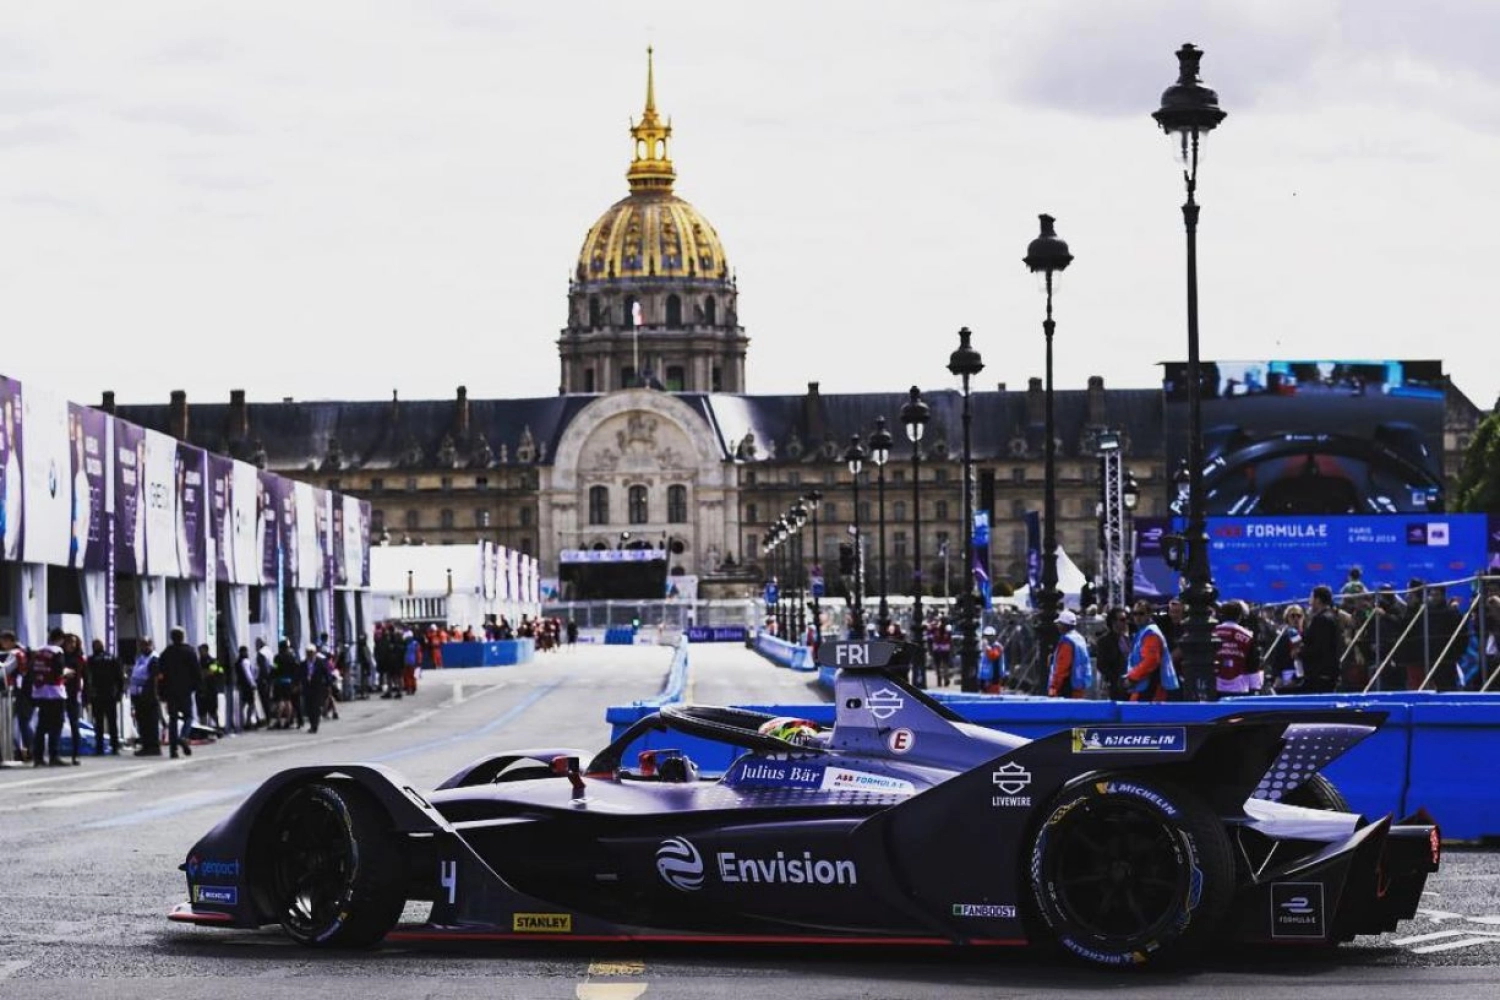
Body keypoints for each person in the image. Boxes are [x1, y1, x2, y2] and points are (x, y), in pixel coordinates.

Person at [158, 627, 202, 758]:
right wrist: (197, 687)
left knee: (173, 719)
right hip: (185, 690)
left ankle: (173, 750)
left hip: (171, 691)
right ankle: (183, 736)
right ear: (183, 637)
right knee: (188, 716)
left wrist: (162, 692)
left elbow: (161, 674)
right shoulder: (189, 651)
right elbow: (196, 671)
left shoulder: (166, 653)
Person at [29, 629, 69, 766]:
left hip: (40, 691)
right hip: (55, 692)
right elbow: (59, 670)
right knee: (56, 725)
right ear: (61, 639)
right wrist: (66, 673)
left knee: (41, 725)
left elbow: (31, 669)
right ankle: (54, 755)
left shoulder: (39, 651)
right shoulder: (57, 651)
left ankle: (38, 757)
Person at [1125, 602, 1179, 702]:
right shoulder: (1143, 632)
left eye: (1141, 613)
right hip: (1144, 684)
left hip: (1151, 686)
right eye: (1135, 614)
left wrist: (1132, 678)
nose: (1137, 617)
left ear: (1149, 614)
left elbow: (1151, 660)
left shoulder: (1151, 633)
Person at [1211, 601, 1262, 699]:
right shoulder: (1247, 636)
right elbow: (1253, 663)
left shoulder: (1212, 632)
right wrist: (1255, 688)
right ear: (1240, 616)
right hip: (1240, 687)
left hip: (1215, 685)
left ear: (1221, 615)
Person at [85, 638, 125, 756]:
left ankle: (100, 747)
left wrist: (89, 694)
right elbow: (120, 678)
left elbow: (88, 679)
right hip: (109, 694)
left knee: (99, 722)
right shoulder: (113, 658)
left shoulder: (91, 660)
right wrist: (119, 693)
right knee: (111, 722)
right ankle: (114, 746)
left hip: (98, 694)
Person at [1301, 586, 1343, 693]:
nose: (1309, 602)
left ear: (1318, 600)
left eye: (1311, 598)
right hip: (1328, 672)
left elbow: (1319, 647)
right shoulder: (1332, 616)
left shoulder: (1322, 619)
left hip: (1320, 674)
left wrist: (1300, 652)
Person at [1047, 610, 1095, 699]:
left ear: (1064, 625)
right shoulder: (1079, 639)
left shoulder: (1067, 642)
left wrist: (1054, 687)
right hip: (1080, 684)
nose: (1058, 627)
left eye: (1059, 624)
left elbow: (1062, 667)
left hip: (1068, 686)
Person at [128, 637, 162, 755]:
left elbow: (154, 679)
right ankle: (146, 745)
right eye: (142, 645)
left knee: (150, 723)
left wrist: (150, 694)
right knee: (142, 722)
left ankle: (153, 747)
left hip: (148, 696)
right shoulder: (140, 658)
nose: (144, 647)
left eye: (147, 644)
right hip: (138, 695)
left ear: (151, 645)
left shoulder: (154, 659)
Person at [1, 631, 31, 761]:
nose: (2, 643)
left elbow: (6, 669)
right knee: (20, 723)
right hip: (17, 691)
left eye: (5, 640)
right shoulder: (21, 652)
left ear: (11, 641)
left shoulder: (15, 653)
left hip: (13, 692)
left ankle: (22, 750)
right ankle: (25, 750)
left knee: (12, 723)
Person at [1093, 607, 1131, 701]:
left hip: (1130, 685)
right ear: (1113, 621)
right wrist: (1115, 679)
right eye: (1122, 620)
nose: (1126, 622)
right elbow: (1101, 665)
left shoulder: (1127, 640)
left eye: (1126, 619)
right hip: (1115, 687)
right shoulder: (1104, 641)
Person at [61, 633, 85, 764]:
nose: (72, 645)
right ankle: (54, 753)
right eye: (69, 642)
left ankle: (76, 754)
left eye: (74, 642)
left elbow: (84, 676)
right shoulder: (60, 656)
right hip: (59, 693)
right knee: (57, 723)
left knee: (74, 725)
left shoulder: (79, 658)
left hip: (73, 694)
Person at [1270, 605, 1306, 693]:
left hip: (1301, 678)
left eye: (1299, 616)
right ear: (1287, 618)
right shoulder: (1282, 637)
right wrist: (1278, 676)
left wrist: (1296, 678)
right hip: (1284, 678)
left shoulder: (1307, 636)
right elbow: (1276, 659)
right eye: (1293, 616)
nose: (1296, 618)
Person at [302, 644, 333, 734]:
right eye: (308, 653)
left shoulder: (320, 663)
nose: (310, 655)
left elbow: (326, 674)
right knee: (309, 707)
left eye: (311, 653)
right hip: (307, 688)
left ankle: (315, 725)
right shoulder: (304, 664)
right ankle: (312, 723)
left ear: (315, 653)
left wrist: (328, 685)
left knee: (315, 707)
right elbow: (299, 674)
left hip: (317, 688)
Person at [196, 643, 222, 731]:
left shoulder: (213, 661)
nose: (200, 653)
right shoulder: (198, 662)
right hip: (200, 690)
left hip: (211, 690)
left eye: (201, 651)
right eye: (199, 651)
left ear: (206, 650)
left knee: (213, 711)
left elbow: (213, 671)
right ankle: (203, 730)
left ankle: (217, 728)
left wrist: (204, 673)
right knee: (202, 713)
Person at [236, 644, 261, 729]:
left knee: (243, 704)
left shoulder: (237, 662)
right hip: (247, 686)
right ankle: (247, 722)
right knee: (251, 704)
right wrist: (253, 683)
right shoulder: (245, 661)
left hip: (241, 685)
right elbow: (248, 674)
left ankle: (242, 721)